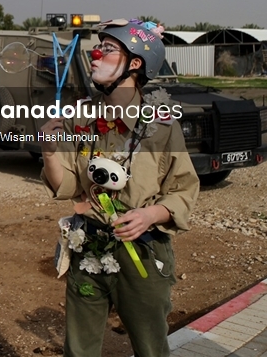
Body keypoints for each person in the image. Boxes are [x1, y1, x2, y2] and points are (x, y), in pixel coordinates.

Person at [40, 19, 198, 357]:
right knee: (79, 349)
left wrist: (150, 215)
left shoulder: (161, 126)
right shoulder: (80, 117)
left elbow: (184, 190)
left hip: (142, 253)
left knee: (150, 347)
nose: (96, 54)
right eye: (99, 47)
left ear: (135, 63)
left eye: (108, 49)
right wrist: (50, 153)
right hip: (88, 247)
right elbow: (68, 184)